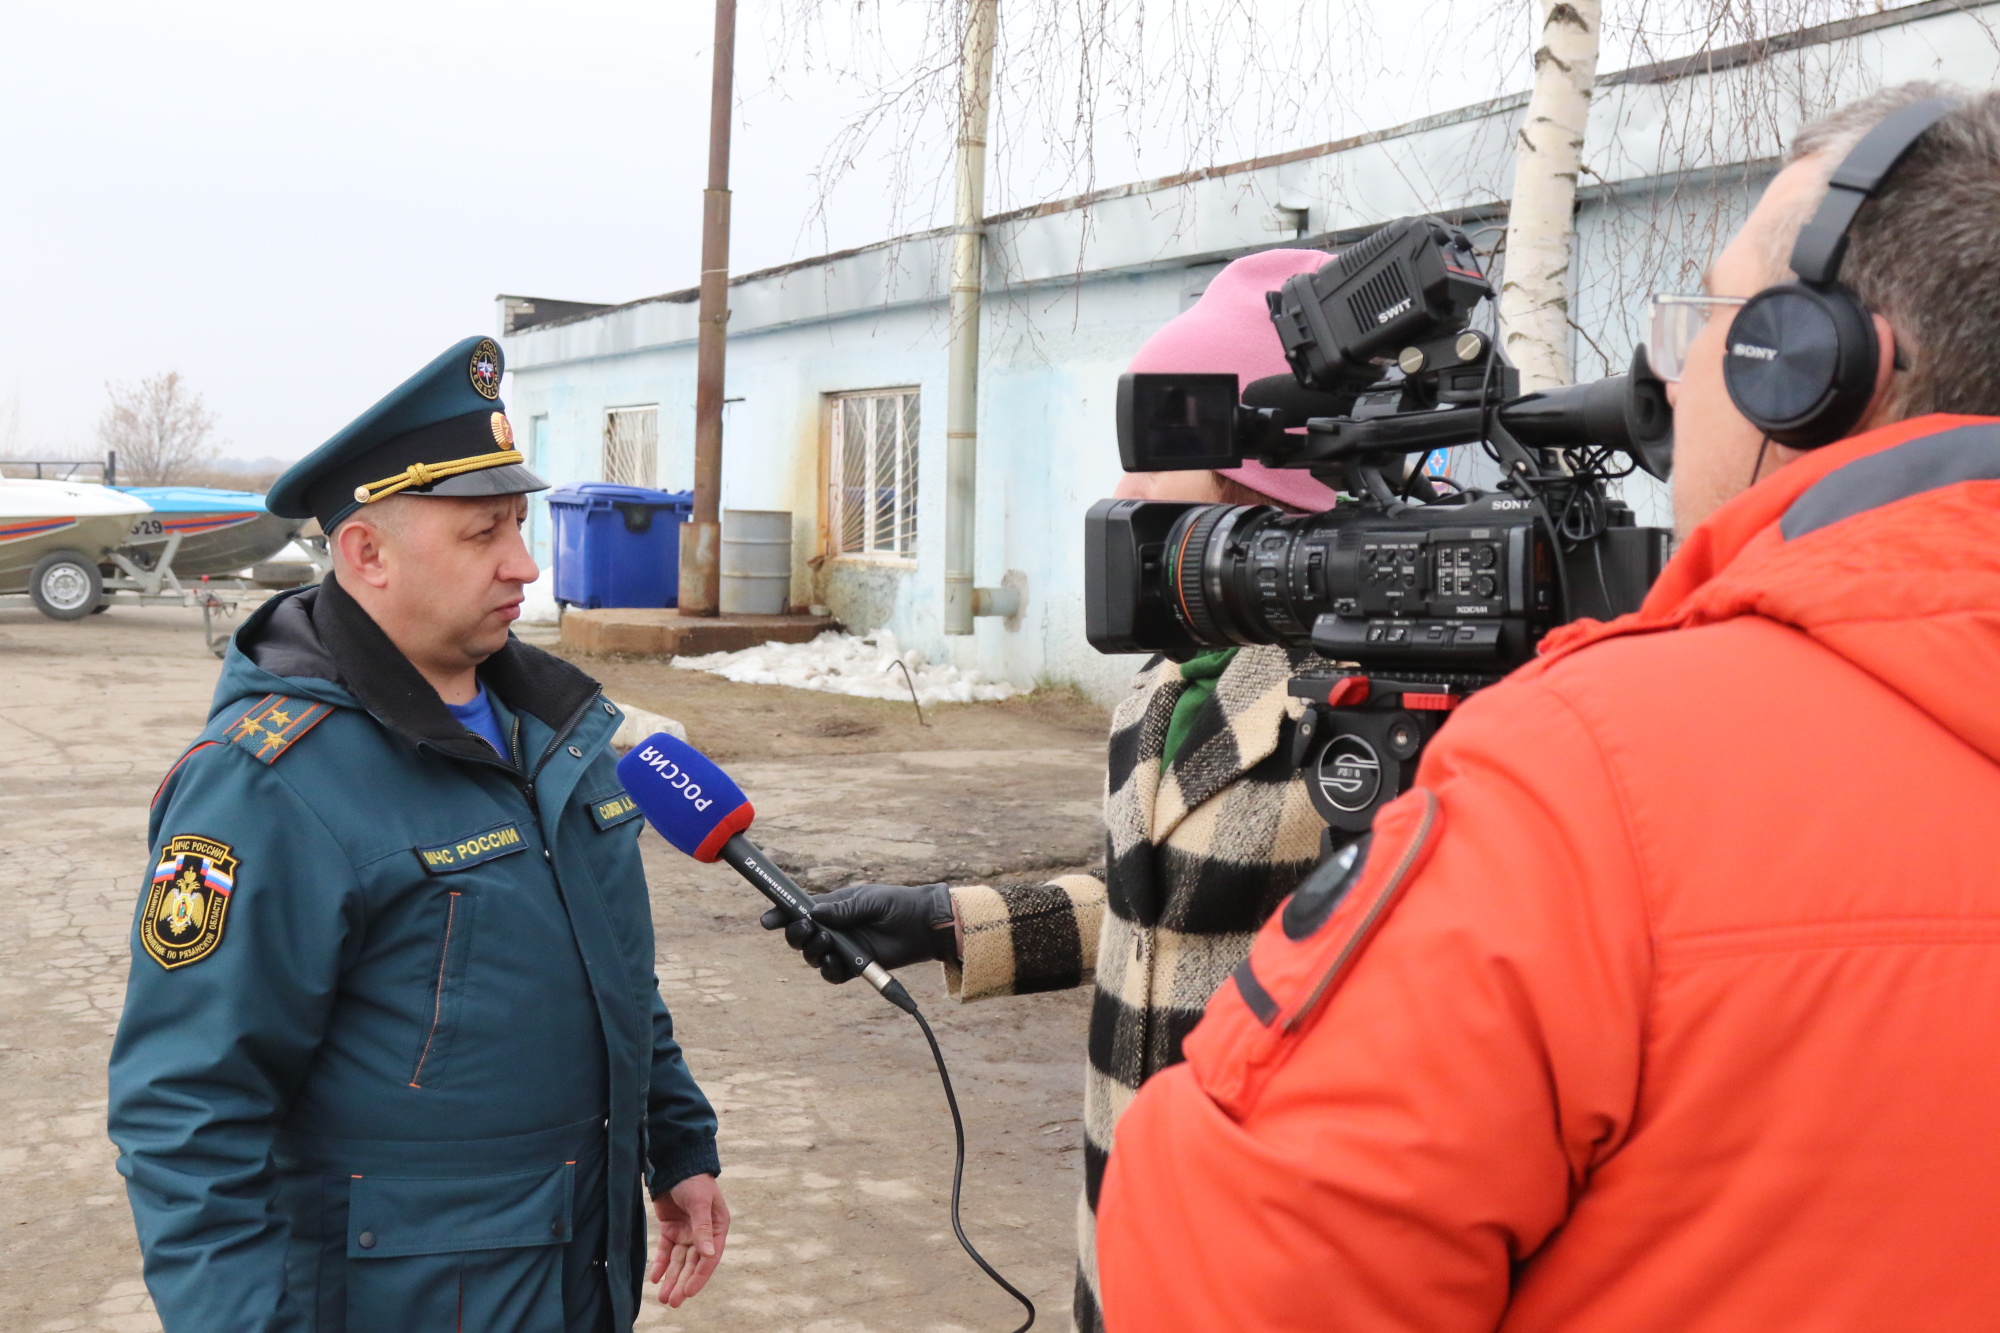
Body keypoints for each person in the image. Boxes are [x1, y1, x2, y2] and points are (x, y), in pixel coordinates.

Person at [1095, 84, 2000, 1330]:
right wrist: (960, 924)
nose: (1671, 373)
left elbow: (1244, 1269)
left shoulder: (1588, 779)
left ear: (1816, 371)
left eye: (1716, 320)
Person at [762, 248, 1344, 1332]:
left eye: (1151, 458)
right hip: (1123, 1230)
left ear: (1259, 488)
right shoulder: (1161, 692)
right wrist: (946, 923)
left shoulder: (1369, 721)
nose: (1120, 491)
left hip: (1276, 1260)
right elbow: (1164, 910)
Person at [108, 336, 727, 1332]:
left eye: (520, 524)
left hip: (578, 1278)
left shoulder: (558, 734)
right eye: (484, 533)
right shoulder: (267, 785)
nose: (524, 563)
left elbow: (615, 973)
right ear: (367, 553)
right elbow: (185, 1117)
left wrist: (679, 1142)